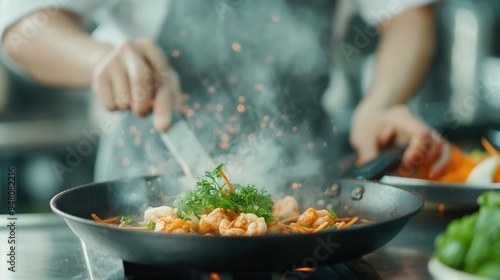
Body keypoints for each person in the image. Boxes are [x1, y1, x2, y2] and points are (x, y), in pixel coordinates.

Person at [0, 0, 441, 186]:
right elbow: (22, 26)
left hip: (306, 186)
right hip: (148, 188)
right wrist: (97, 59)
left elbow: (408, 13)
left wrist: (380, 102)